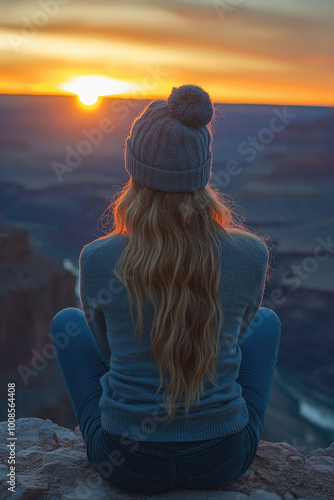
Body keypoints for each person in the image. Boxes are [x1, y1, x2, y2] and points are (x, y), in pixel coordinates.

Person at [50, 84, 281, 495]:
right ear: (203, 170)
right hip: (222, 459)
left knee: (66, 322)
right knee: (267, 323)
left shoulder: (98, 258)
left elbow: (107, 353)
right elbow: (237, 337)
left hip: (124, 461)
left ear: (134, 170)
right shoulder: (250, 254)